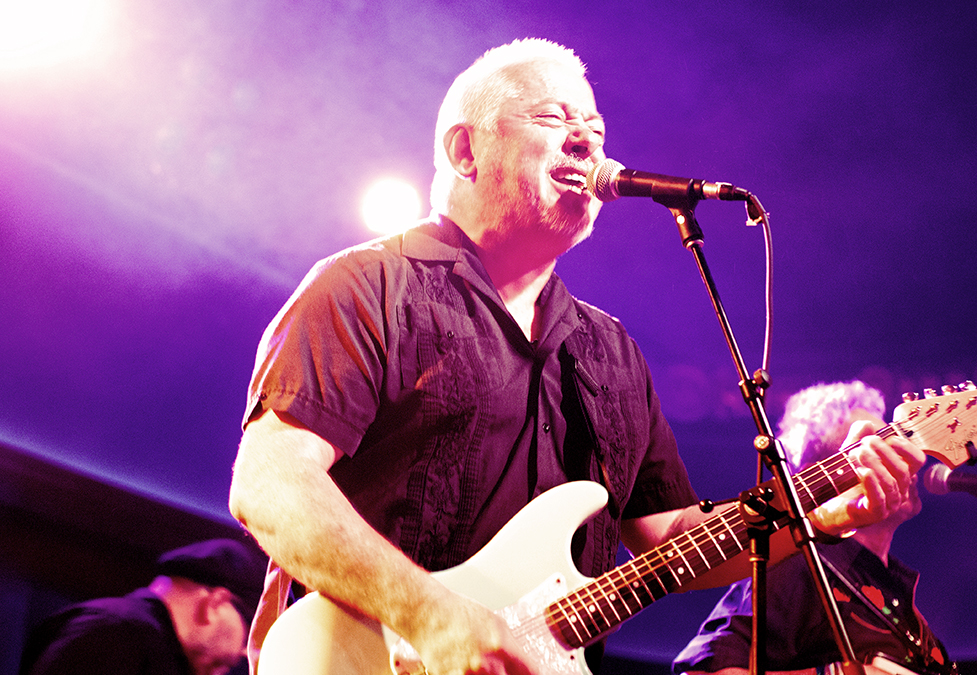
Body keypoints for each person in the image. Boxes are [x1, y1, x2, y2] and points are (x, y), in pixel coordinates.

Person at [227, 39, 925, 675]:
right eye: (555, 119)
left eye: (594, 129)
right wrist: (433, 614)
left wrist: (817, 512)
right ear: (466, 151)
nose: (587, 143)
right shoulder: (368, 286)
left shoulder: (609, 350)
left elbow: (671, 540)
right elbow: (270, 487)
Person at [672, 381, 956, 675]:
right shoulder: (799, 564)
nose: (898, 460)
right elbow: (704, 668)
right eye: (874, 450)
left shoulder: (895, 589)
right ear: (820, 476)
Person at [20, 538, 266, 675]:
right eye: (250, 631)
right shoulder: (115, 634)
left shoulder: (125, 632)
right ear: (216, 604)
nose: (246, 653)